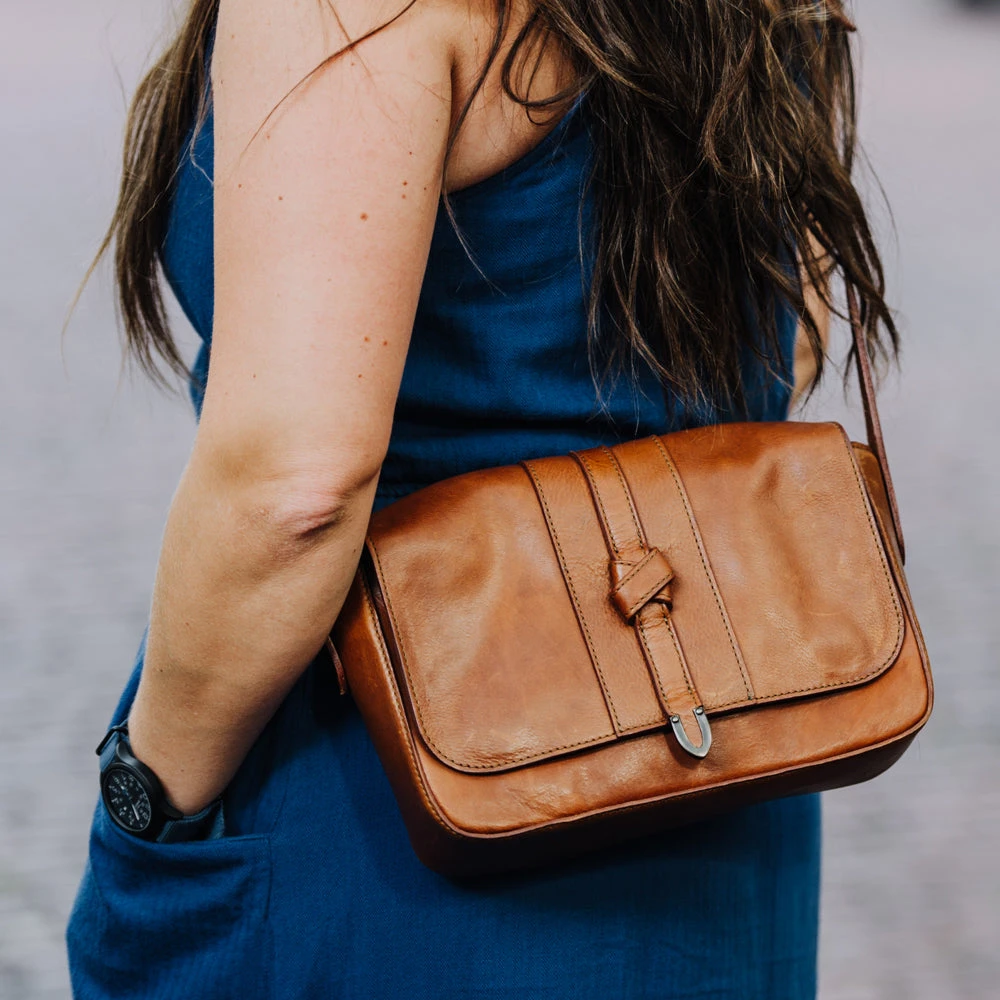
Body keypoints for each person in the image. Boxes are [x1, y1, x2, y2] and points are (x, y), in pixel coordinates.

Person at [66, 1, 898, 997]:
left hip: (398, 798)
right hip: (716, 775)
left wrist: (147, 797)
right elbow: (787, 337)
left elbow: (295, 487)